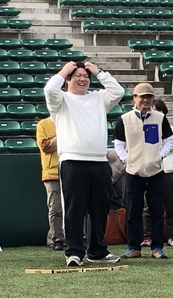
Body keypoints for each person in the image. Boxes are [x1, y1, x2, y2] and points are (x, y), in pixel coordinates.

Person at [44, 60, 125, 266]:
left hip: (99, 162)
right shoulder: (61, 100)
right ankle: (74, 252)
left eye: (86, 76)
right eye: (77, 76)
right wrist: (64, 70)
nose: (82, 79)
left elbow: (118, 91)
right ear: (68, 79)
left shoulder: (99, 98)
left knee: (100, 209)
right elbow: (50, 89)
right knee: (74, 209)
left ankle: (97, 251)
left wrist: (98, 72)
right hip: (72, 161)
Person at [113, 83, 173, 259]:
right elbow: (118, 143)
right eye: (142, 97)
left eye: (149, 97)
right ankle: (134, 247)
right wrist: (127, 159)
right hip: (133, 172)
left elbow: (169, 140)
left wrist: (159, 156)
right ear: (135, 98)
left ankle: (157, 247)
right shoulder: (124, 119)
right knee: (133, 211)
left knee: (157, 211)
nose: (146, 100)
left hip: (155, 171)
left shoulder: (160, 118)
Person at [141, 98, 173, 248]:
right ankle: (147, 236)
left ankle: (172, 236)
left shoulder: (170, 128)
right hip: (150, 171)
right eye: (154, 110)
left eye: (160, 110)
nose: (157, 113)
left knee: (171, 207)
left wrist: (158, 144)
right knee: (147, 207)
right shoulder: (144, 127)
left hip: (169, 171)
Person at [36, 116, 64, 251]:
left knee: (73, 207)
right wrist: (64, 137)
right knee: (55, 208)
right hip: (52, 172)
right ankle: (56, 238)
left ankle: (74, 237)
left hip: (71, 170)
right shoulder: (43, 124)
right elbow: (44, 146)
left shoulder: (69, 122)